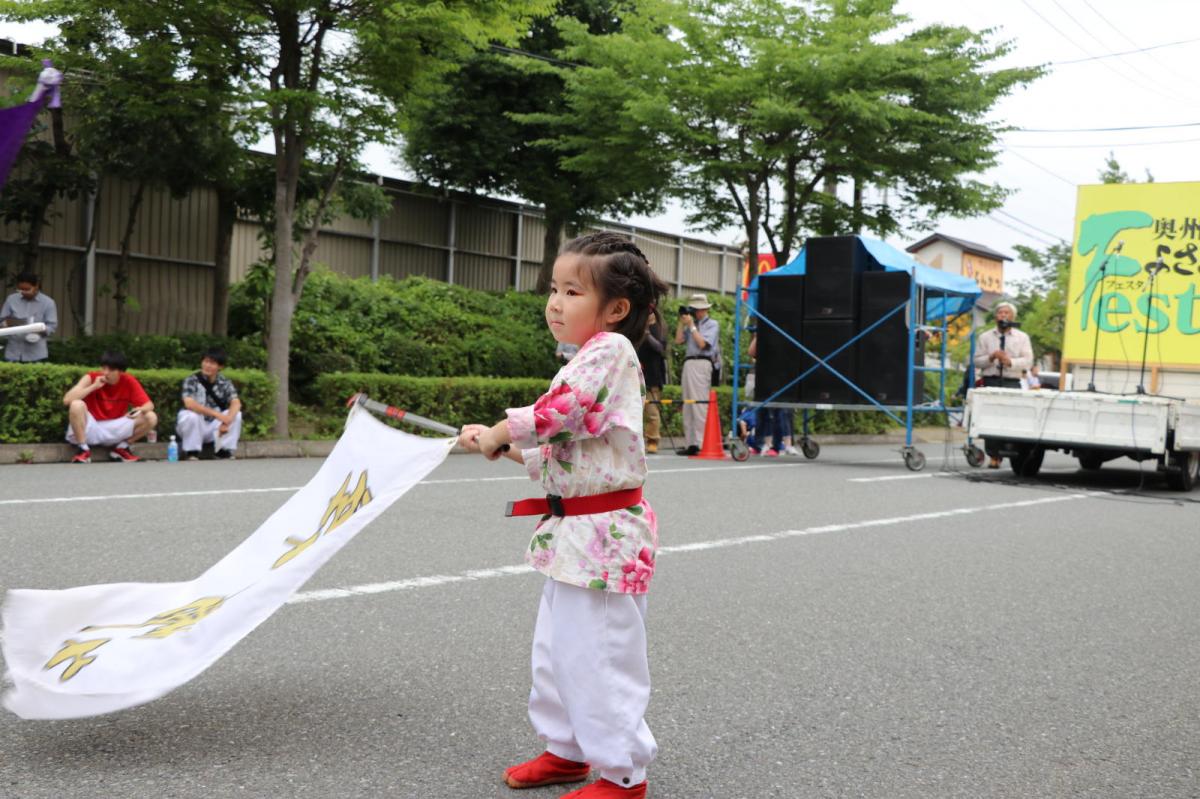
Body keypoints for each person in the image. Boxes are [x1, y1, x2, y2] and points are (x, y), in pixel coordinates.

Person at [458, 232, 667, 799]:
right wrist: (510, 445)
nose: (555, 302)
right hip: (576, 535)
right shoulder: (589, 358)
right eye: (554, 288)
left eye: (572, 290)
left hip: (602, 536)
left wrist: (505, 428)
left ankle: (623, 773)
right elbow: (570, 445)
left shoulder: (609, 350)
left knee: (598, 653)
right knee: (557, 649)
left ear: (616, 309)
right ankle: (568, 748)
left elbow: (561, 410)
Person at [62, 350, 157, 463]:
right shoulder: (91, 377)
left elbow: (149, 405)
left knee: (151, 417)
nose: (105, 373)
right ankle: (83, 449)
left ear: (120, 372)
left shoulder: (128, 381)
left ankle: (121, 448)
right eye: (103, 368)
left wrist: (140, 409)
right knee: (76, 404)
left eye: (111, 370)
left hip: (114, 428)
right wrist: (93, 387)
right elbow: (67, 400)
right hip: (90, 427)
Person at [973, 301, 1033, 468]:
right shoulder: (985, 337)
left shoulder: (1022, 337)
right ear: (995, 317)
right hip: (991, 380)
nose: (1003, 316)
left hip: (1011, 381)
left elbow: (1028, 361)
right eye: (1000, 313)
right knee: (989, 419)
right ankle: (993, 455)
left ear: (1013, 317)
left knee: (1012, 418)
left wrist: (1010, 361)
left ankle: (1012, 451)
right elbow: (976, 361)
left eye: (1007, 313)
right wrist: (991, 357)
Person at [176, 347, 243, 460]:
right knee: (191, 416)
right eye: (205, 361)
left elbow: (236, 402)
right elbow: (189, 403)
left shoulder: (224, 382)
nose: (207, 365)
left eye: (212, 363)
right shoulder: (192, 380)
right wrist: (218, 415)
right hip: (195, 424)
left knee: (237, 414)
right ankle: (192, 451)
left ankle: (223, 449)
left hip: (215, 427)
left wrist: (227, 421)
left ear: (220, 367)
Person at [673, 292, 719, 456]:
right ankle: (690, 443)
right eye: (693, 309)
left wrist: (692, 326)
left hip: (702, 362)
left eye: (698, 309)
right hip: (689, 362)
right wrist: (681, 322)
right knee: (688, 404)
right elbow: (678, 340)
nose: (696, 312)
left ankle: (700, 442)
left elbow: (702, 344)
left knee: (699, 404)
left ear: (706, 309)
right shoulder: (691, 323)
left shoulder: (712, 324)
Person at [1, 271, 58, 363]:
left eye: (27, 289)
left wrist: (38, 328)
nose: (23, 292)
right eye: (20, 289)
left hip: (36, 353)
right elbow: (2, 320)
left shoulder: (48, 303)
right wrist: (7, 324)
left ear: (36, 286)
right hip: (13, 352)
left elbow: (52, 326)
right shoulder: (11, 299)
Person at [636, 310, 667, 454]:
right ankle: (636, 441)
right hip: (637, 375)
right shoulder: (638, 330)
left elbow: (660, 348)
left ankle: (653, 440)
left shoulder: (659, 329)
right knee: (635, 411)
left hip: (653, 376)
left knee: (652, 411)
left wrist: (647, 333)